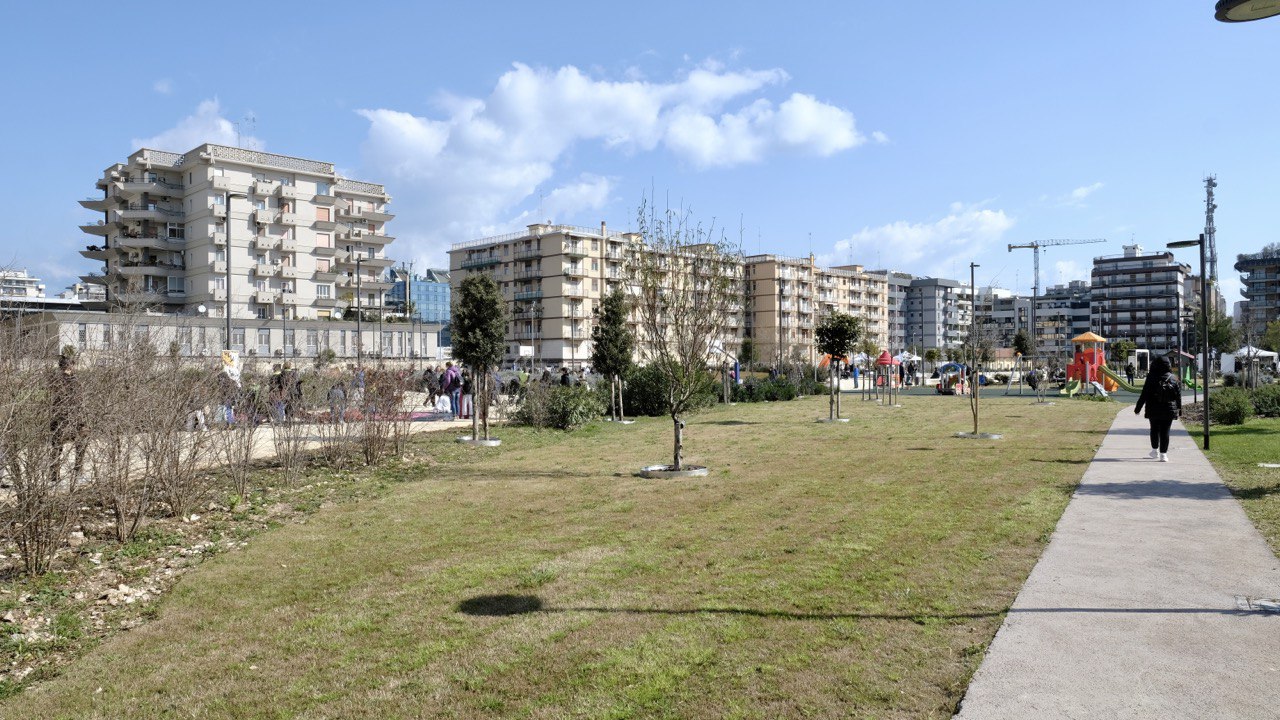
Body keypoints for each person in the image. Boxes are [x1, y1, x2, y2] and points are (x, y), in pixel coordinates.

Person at [1134, 356, 1181, 462]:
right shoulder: (1173, 377)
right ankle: (1163, 454)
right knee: (1166, 431)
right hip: (1169, 409)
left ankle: (1155, 450)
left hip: (1153, 408)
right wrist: (1179, 408)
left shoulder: (1151, 377)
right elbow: (1178, 395)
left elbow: (1144, 394)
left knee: (1154, 429)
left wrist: (1138, 408)